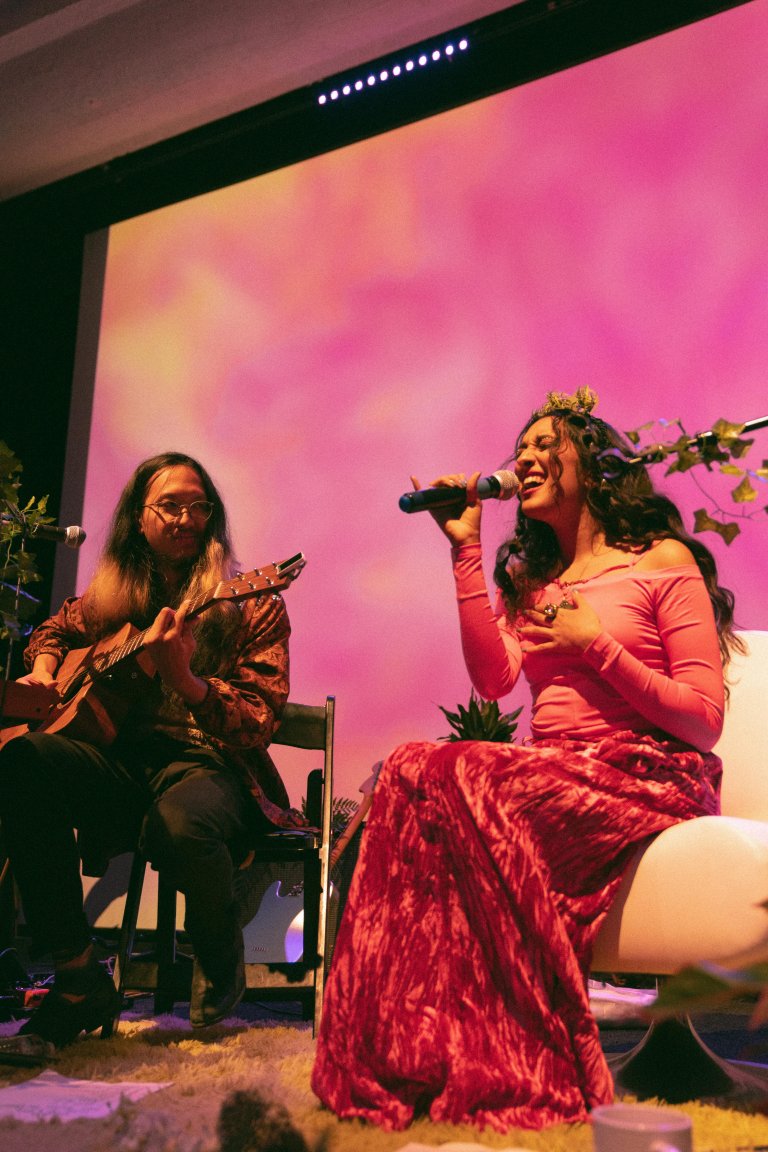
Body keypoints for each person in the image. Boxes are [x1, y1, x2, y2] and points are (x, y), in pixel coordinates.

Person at [311, 388, 737, 1132]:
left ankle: (528, 1062)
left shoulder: (662, 560)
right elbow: (495, 679)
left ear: (598, 468)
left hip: (650, 777)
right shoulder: (535, 582)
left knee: (455, 770)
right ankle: (413, 1052)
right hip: (556, 775)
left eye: (548, 445)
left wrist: (595, 648)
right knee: (411, 769)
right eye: (523, 448)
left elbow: (702, 722)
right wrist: (465, 550)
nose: (527, 458)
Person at [0, 451, 302, 1062]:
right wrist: (43, 671)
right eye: (170, 506)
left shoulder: (252, 603)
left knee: (181, 822)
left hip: (209, 765)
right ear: (139, 518)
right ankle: (80, 973)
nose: (186, 518)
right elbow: (53, 632)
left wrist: (187, 680)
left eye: (199, 506)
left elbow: (258, 722)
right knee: (25, 760)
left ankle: (218, 952)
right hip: (122, 766)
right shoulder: (113, 599)